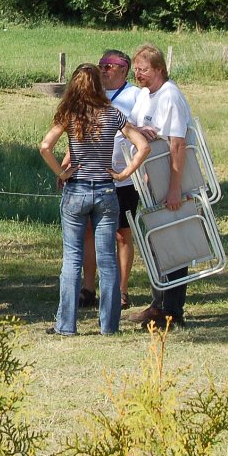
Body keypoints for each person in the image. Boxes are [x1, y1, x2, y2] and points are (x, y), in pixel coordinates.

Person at [40, 63, 150, 336]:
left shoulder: (70, 114)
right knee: (108, 260)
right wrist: (125, 172)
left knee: (72, 259)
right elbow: (143, 145)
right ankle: (109, 326)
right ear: (99, 86)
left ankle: (66, 325)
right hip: (105, 190)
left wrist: (62, 172)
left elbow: (45, 146)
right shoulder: (113, 114)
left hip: (76, 190)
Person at [128, 44, 194, 330]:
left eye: (143, 70)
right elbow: (137, 130)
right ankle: (157, 304)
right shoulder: (145, 95)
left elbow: (177, 143)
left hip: (171, 180)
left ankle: (173, 310)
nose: (138, 75)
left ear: (158, 70)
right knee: (156, 242)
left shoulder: (171, 96)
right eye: (136, 70)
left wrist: (175, 188)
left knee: (173, 242)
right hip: (151, 180)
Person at [74, 49, 144, 310]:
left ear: (124, 69)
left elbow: (142, 133)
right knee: (89, 232)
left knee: (122, 234)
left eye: (110, 65)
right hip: (91, 175)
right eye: (101, 64)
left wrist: (135, 170)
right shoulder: (93, 94)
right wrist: (67, 164)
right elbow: (76, 130)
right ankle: (88, 288)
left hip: (122, 178)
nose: (104, 69)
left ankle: (120, 291)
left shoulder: (135, 96)